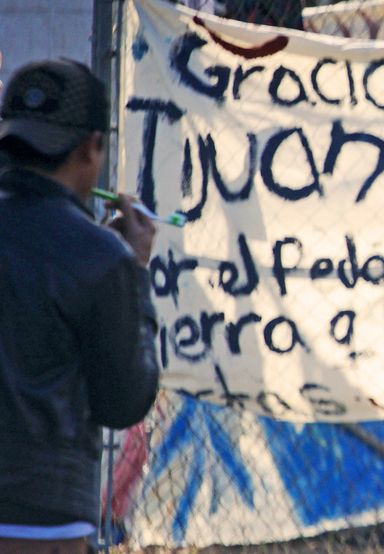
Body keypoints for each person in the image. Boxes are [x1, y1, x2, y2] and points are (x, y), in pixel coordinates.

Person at [0, 59, 160, 554]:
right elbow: (124, 401)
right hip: (45, 519)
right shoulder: (99, 256)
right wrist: (133, 271)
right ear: (91, 148)